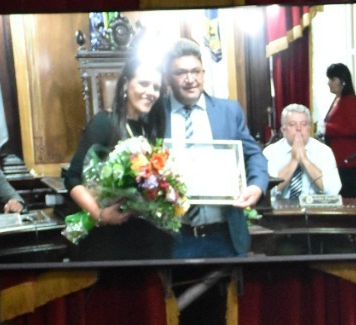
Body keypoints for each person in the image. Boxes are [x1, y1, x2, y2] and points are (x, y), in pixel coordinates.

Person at [161, 38, 268, 258]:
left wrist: (257, 186)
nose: (190, 79)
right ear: (168, 77)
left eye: (195, 71)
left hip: (224, 235)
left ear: (203, 73)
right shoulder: (154, 115)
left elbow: (253, 155)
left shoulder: (228, 111)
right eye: (181, 73)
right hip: (173, 237)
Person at [64, 55, 174, 261]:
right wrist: (99, 214)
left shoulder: (148, 129)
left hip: (144, 236)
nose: (150, 92)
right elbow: (72, 178)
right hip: (108, 238)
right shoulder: (104, 122)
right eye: (143, 83)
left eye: (156, 87)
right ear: (125, 84)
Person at [263, 104, 340, 201]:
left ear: (309, 128)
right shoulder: (270, 152)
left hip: (315, 208)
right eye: (292, 124)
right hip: (280, 207)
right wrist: (294, 161)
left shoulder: (324, 151)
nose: (299, 128)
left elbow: (333, 191)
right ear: (283, 130)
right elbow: (268, 191)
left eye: (304, 124)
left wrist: (305, 160)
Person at [318, 62, 356, 199]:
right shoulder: (338, 99)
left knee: (348, 194)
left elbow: (353, 129)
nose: (329, 83)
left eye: (332, 79)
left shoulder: (351, 101)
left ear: (343, 81)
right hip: (339, 157)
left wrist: (326, 128)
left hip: (349, 158)